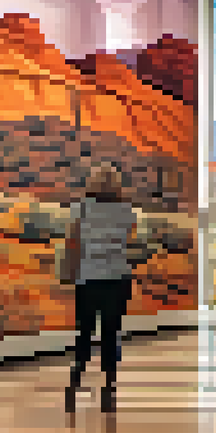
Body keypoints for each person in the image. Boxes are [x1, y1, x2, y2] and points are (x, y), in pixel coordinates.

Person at [63, 162, 138, 413]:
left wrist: (70, 269)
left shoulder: (81, 209)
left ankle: (77, 374)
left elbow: (72, 241)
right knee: (111, 330)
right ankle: (109, 382)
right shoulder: (127, 211)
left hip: (88, 278)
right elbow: (131, 243)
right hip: (118, 277)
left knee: (84, 329)